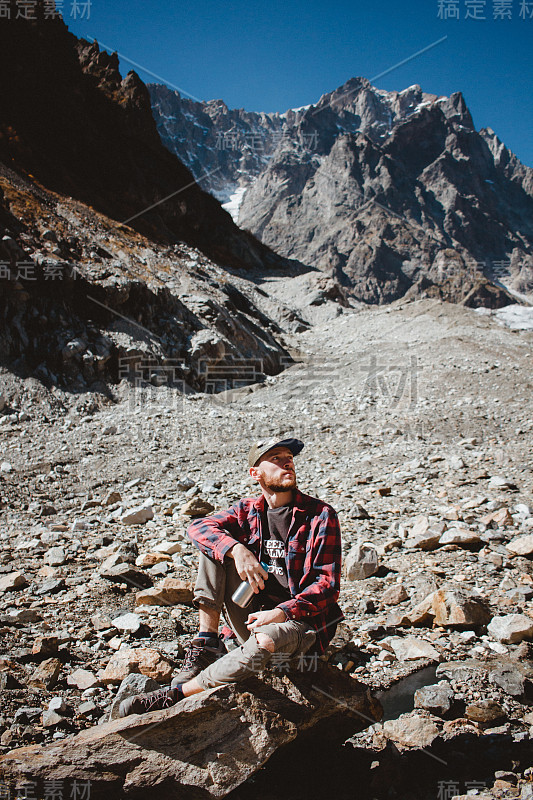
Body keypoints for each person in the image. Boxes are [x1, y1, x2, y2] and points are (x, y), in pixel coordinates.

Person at [119, 436, 343, 717]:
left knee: (266, 640)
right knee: (214, 547)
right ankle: (207, 643)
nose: (287, 461)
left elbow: (327, 585)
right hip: (250, 613)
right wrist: (237, 549)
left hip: (299, 625)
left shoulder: (320, 515)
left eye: (289, 457)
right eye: (275, 458)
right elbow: (198, 528)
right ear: (255, 473)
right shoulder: (248, 511)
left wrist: (282, 613)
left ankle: (176, 695)